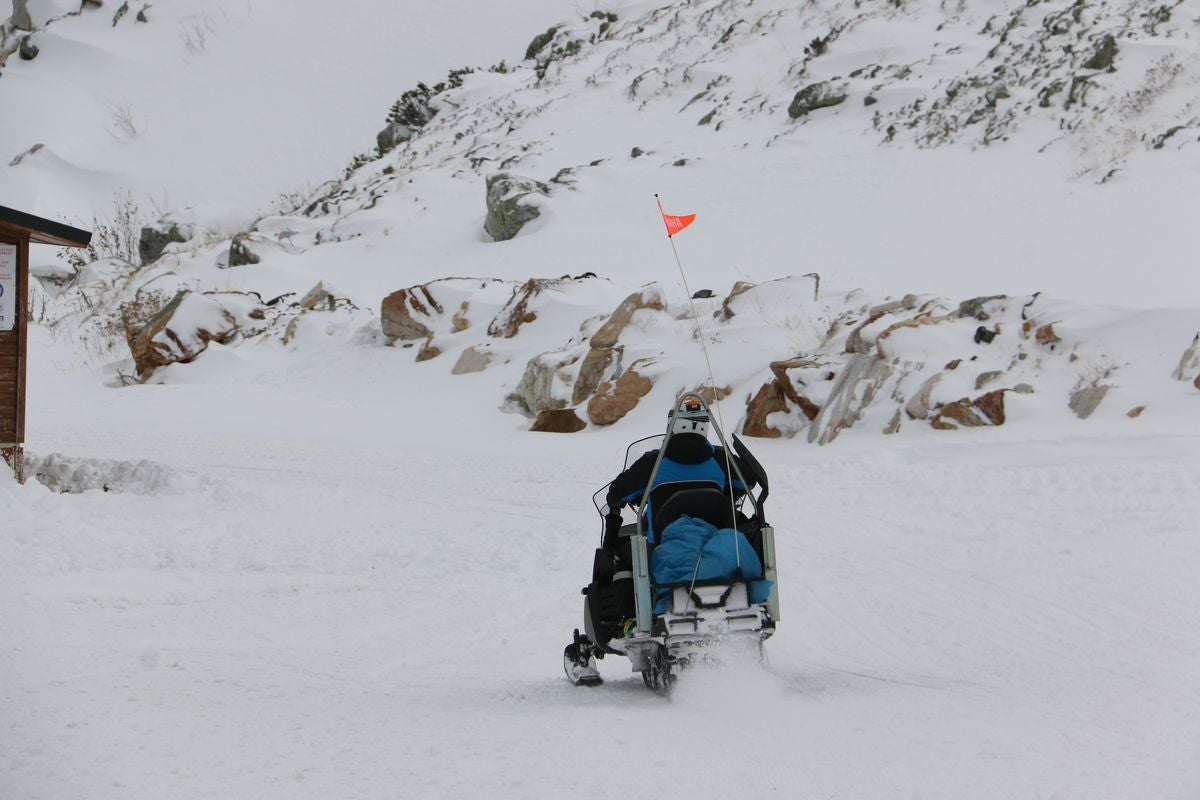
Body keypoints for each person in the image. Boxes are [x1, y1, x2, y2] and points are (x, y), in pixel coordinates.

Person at [563, 397, 757, 686]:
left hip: (664, 549)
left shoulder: (652, 464)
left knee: (624, 555)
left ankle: (630, 619)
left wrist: (627, 501)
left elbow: (615, 494)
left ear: (672, 426)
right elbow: (748, 482)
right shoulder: (720, 460)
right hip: (716, 551)